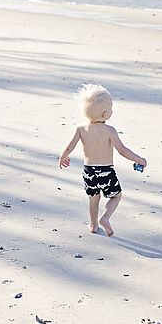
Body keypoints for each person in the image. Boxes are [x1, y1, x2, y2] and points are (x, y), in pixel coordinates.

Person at [58, 84, 147, 236]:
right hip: (106, 171)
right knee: (116, 196)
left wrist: (63, 157)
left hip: (89, 171)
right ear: (105, 113)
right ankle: (105, 218)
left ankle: (93, 225)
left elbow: (70, 146)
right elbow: (122, 150)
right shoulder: (109, 131)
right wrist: (140, 160)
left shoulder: (81, 128)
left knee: (94, 199)